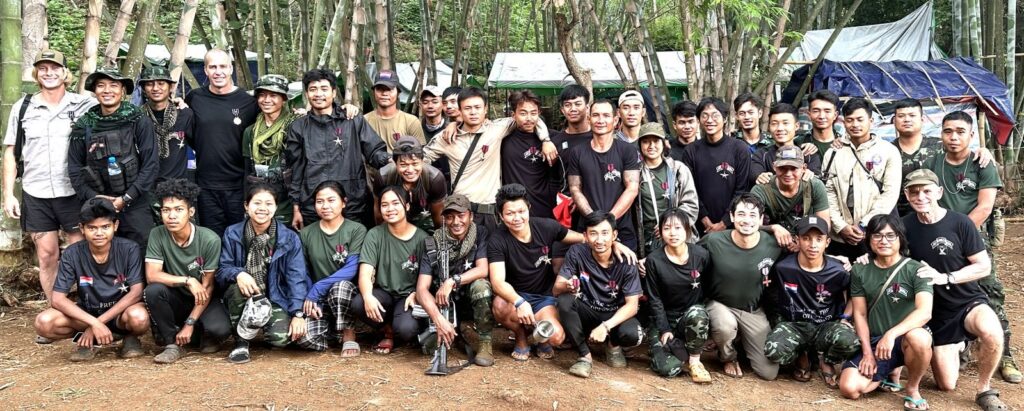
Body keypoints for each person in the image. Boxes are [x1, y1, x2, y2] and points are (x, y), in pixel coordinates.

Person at [925, 111, 1021, 384]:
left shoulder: (981, 163)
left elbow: (985, 206)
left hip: (973, 239)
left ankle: (1005, 357)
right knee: (943, 289)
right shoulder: (933, 162)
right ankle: (959, 343)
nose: (953, 137)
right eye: (947, 131)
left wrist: (958, 235)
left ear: (971, 135)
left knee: (989, 292)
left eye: (960, 131)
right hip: (938, 241)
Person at [901, 169, 1006, 409]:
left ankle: (984, 389)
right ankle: (961, 344)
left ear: (938, 192)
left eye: (927, 191)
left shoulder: (960, 222)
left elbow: (983, 266)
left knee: (992, 332)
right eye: (914, 192)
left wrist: (945, 277)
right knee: (947, 384)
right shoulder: (904, 226)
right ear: (907, 195)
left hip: (967, 301)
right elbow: (884, 251)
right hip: (935, 314)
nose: (920, 197)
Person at [2, 49, 94, 315]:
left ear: (65, 73)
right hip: (36, 190)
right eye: (43, 68)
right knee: (46, 254)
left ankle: (90, 309)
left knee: (81, 251)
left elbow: (116, 112)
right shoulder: (24, 106)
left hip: (74, 191)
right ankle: (57, 311)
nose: (49, 73)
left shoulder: (82, 105)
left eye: (54, 68)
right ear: (37, 73)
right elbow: (10, 151)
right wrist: (8, 194)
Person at [423, 87, 555, 231]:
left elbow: (529, 118)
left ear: (485, 109)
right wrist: (435, 189)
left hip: (490, 212)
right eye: (467, 108)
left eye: (477, 107)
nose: (473, 112)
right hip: (461, 211)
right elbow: (419, 161)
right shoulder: (446, 138)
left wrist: (546, 140)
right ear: (459, 111)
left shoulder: (496, 129)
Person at [33, 198, 149, 361]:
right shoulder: (72, 253)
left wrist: (98, 323)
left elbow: (136, 292)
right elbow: (58, 299)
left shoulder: (129, 249)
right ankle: (91, 338)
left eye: (105, 227)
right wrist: (93, 324)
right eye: (92, 228)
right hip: (87, 313)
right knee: (43, 322)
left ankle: (129, 337)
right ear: (82, 228)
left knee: (139, 317)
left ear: (115, 226)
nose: (99, 233)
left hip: (120, 315)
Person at [218, 182, 322, 364]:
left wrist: (298, 314)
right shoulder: (232, 233)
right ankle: (241, 342)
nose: (262, 209)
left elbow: (296, 277)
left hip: (274, 296)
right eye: (257, 203)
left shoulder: (289, 237)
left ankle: (264, 327)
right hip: (244, 295)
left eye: (268, 204)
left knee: (280, 339)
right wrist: (238, 274)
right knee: (237, 286)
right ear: (246, 206)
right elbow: (222, 270)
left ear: (275, 207)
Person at [839, 215, 933, 411]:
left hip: (904, 339)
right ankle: (889, 371)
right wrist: (867, 353)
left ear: (901, 238)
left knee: (920, 338)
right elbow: (860, 314)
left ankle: (912, 388)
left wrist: (891, 335)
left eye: (891, 236)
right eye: (877, 236)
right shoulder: (860, 269)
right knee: (849, 388)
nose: (884, 241)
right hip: (874, 340)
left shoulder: (916, 270)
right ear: (869, 239)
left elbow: (924, 312)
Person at [489, 184, 589, 360]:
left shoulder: (547, 227)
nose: (517, 218)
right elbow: (497, 282)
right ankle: (520, 338)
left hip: (544, 297)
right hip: (515, 297)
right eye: (510, 213)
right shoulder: (497, 240)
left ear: (528, 208)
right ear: (501, 216)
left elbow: (584, 238)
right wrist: (519, 302)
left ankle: (540, 336)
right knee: (499, 305)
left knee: (556, 337)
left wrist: (614, 242)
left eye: (521, 211)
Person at [284, 69, 391, 230]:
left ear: (334, 92)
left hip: (353, 202)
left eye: (324, 89)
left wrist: (393, 162)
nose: (318, 94)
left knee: (355, 251)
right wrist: (296, 207)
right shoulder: (299, 127)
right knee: (317, 252)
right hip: (313, 206)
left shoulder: (352, 120)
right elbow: (295, 170)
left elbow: (375, 151)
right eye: (313, 89)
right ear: (306, 94)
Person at [67, 67, 158, 252]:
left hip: (135, 201)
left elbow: (151, 164)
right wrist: (95, 198)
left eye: (113, 85)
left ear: (123, 90)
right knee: (102, 257)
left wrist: (126, 198)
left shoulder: (138, 119)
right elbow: (75, 168)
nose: (107, 90)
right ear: (94, 90)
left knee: (141, 252)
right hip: (98, 204)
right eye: (101, 85)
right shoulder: (84, 124)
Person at [763, 216, 859, 386]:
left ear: (827, 242)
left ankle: (826, 359)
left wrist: (844, 319)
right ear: (797, 240)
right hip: (795, 325)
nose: (812, 245)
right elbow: (773, 300)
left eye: (819, 239)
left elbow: (853, 295)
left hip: (825, 324)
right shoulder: (783, 268)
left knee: (850, 342)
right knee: (773, 350)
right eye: (806, 238)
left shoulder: (839, 270)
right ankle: (802, 354)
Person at [143, 179, 231, 364]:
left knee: (220, 330)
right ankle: (171, 344)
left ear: (191, 212)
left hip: (204, 299)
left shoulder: (209, 239)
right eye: (166, 210)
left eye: (178, 209)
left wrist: (189, 323)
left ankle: (195, 331)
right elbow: (152, 275)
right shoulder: (157, 234)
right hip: (178, 296)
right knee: (153, 290)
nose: (171, 216)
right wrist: (188, 280)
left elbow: (207, 288)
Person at [700, 194, 782, 380]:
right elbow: (686, 254)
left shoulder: (773, 244)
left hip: (753, 311)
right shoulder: (714, 241)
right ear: (732, 216)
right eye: (741, 214)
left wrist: (838, 259)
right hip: (720, 305)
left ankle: (741, 344)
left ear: (761, 219)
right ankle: (728, 356)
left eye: (753, 215)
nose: (747, 220)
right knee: (724, 326)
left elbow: (805, 251)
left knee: (768, 373)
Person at [555, 211, 643, 378]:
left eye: (605, 233)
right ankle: (584, 356)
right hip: (587, 310)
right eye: (593, 233)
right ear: (585, 236)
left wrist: (605, 327)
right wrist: (567, 285)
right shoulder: (577, 252)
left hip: (614, 314)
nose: (599, 239)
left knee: (634, 335)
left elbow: (632, 306)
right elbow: (556, 289)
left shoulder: (627, 260)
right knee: (565, 300)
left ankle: (612, 345)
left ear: (614, 235)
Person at [414, 194, 496, 366]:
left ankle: (485, 342)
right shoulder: (432, 242)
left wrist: (452, 281)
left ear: (470, 216)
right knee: (428, 349)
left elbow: (482, 269)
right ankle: (451, 328)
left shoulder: (479, 234)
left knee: (481, 286)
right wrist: (438, 319)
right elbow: (422, 288)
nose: (456, 222)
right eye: (450, 217)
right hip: (443, 301)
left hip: (468, 297)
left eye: (461, 215)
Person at [185, 49, 258, 236]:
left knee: (238, 237)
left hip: (238, 185)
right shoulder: (194, 98)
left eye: (223, 66)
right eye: (213, 67)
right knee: (212, 238)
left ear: (231, 69)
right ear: (206, 70)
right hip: (206, 185)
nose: (218, 72)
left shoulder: (248, 102)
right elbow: (189, 133)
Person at [351, 186, 430, 354]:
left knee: (406, 329)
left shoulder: (422, 238)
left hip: (408, 296)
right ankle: (387, 330)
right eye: (384, 205)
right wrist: (367, 296)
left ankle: (402, 331)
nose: (390, 209)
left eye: (395, 203)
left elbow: (429, 276)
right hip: (384, 294)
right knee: (359, 302)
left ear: (407, 206)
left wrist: (417, 293)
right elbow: (365, 272)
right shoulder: (374, 235)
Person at [822, 98, 901, 259]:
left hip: (877, 232)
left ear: (871, 121)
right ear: (843, 122)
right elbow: (828, 192)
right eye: (850, 120)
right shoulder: (833, 153)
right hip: (841, 236)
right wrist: (840, 226)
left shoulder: (888, 151)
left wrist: (865, 224)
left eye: (860, 119)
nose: (855, 125)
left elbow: (890, 194)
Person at [642, 209, 712, 383]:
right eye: (667, 228)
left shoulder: (701, 255)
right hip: (663, 319)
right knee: (669, 368)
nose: (672, 233)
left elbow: (710, 288)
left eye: (678, 228)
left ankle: (695, 362)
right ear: (660, 231)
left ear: (687, 230)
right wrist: (664, 328)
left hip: (690, 316)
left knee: (698, 313)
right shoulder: (654, 260)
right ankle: (671, 350)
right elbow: (654, 298)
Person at [299, 180, 367, 357]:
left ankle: (348, 333)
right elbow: (303, 270)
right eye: (320, 201)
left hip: (345, 296)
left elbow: (352, 268)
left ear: (343, 202)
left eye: (331, 200)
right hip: (317, 298)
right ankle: (329, 329)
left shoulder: (356, 230)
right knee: (306, 339)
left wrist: (318, 287)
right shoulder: (306, 233)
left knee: (341, 287)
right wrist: (310, 295)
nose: (325, 206)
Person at [566, 100, 641, 249]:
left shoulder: (627, 150)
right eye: (596, 115)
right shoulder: (577, 152)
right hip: (588, 229)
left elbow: (632, 188)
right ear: (589, 118)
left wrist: (609, 220)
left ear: (615, 120)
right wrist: (594, 220)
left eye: (606, 115)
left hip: (621, 229)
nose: (600, 120)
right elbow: (575, 188)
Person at [681, 97, 751, 234]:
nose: (709, 120)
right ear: (699, 120)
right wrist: (704, 218)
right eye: (704, 116)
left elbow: (742, 190)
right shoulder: (691, 150)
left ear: (725, 119)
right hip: (700, 225)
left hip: (733, 224)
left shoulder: (739, 148)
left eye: (715, 115)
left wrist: (725, 222)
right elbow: (690, 189)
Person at [635, 122, 699, 256]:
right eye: (646, 142)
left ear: (664, 143)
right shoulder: (635, 173)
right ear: (640, 145)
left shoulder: (678, 169)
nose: (651, 146)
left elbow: (691, 205)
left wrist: (669, 224)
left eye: (656, 141)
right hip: (649, 239)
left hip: (678, 235)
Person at [750, 145, 829, 252]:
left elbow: (824, 225)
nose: (788, 174)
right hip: (772, 244)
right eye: (782, 168)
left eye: (794, 168)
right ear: (774, 167)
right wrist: (773, 228)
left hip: (806, 243)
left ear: (804, 168)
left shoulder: (814, 186)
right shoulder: (761, 189)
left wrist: (803, 243)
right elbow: (749, 223)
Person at [242, 74, 295, 225]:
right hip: (259, 199)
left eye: (273, 95)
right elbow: (247, 170)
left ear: (284, 99)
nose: (266, 100)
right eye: (262, 95)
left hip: (286, 201)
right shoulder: (250, 132)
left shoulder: (295, 127)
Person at [500, 90, 558, 219]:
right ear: (513, 115)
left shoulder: (553, 139)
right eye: (523, 113)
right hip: (514, 210)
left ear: (539, 113)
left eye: (533, 113)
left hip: (545, 208)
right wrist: (454, 123)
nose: (529, 118)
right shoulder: (502, 140)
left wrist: (547, 141)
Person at [371, 136, 446, 232]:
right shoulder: (383, 177)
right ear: (395, 163)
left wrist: (438, 239)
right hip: (394, 218)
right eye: (403, 165)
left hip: (425, 219)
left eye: (415, 164)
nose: (410, 170)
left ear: (422, 161)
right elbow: (379, 214)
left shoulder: (435, 179)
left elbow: (438, 217)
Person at [138, 66, 193, 185]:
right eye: (149, 84)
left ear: (171, 87)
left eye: (161, 83)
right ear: (143, 88)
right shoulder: (137, 117)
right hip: (146, 185)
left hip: (178, 185)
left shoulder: (185, 114)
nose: (155, 88)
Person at [750, 103, 822, 185]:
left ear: (797, 126)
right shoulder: (761, 155)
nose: (780, 128)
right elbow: (755, 174)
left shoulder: (807, 152)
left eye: (785, 123)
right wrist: (760, 177)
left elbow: (817, 177)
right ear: (769, 127)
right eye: (774, 123)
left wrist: (810, 174)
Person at [364, 69, 427, 151]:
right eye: (380, 89)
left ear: (398, 93)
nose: (384, 93)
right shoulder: (364, 121)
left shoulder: (411, 121)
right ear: (374, 92)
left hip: (403, 163)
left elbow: (418, 155)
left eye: (389, 89)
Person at [794, 90, 843, 165]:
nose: (821, 116)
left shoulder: (844, 143)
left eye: (827, 111)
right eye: (816, 111)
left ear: (835, 115)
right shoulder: (798, 143)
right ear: (809, 114)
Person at [418, 85, 450, 183]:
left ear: (443, 104)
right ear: (420, 105)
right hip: (422, 180)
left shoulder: (450, 129)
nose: (430, 106)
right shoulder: (415, 128)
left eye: (435, 102)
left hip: (448, 181)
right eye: (425, 102)